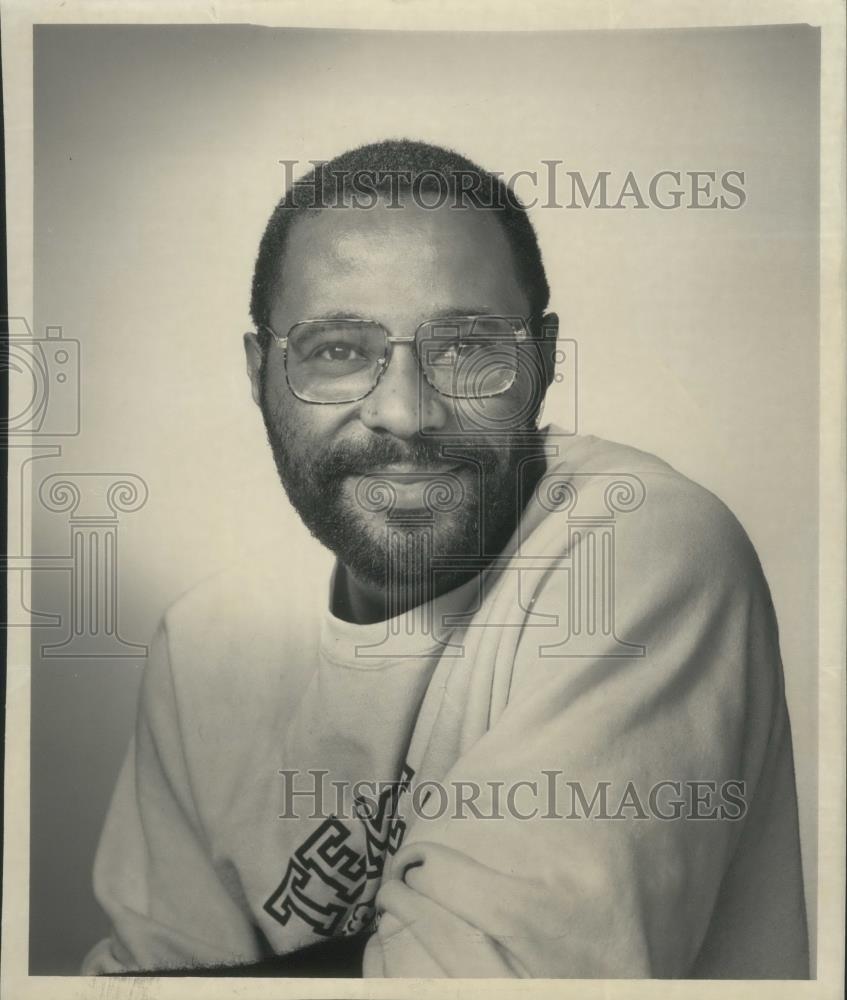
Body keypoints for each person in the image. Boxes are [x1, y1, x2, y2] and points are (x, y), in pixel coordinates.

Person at [82, 139, 809, 979]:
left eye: (465, 347)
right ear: (259, 374)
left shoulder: (640, 542)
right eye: (337, 349)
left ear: (539, 360)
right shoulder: (203, 645)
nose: (403, 411)